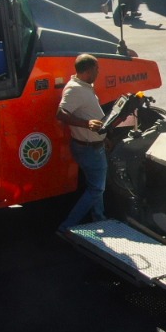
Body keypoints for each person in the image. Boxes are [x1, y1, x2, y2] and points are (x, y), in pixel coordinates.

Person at [56, 53, 109, 231]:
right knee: (97, 189)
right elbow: (61, 114)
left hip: (92, 146)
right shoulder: (75, 89)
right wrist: (86, 124)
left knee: (95, 186)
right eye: (97, 69)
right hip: (89, 149)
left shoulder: (84, 86)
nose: (99, 72)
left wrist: (103, 137)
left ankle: (99, 218)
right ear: (88, 71)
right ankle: (68, 226)